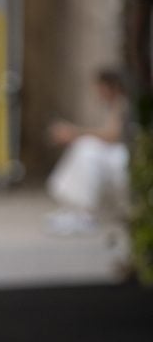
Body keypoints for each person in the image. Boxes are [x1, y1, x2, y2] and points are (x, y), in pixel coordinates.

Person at [45, 68, 130, 234]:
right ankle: (75, 209)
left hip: (126, 157)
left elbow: (112, 135)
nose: (97, 92)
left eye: (100, 87)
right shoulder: (113, 105)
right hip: (120, 155)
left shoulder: (123, 104)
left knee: (87, 148)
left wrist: (74, 132)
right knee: (85, 146)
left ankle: (85, 213)